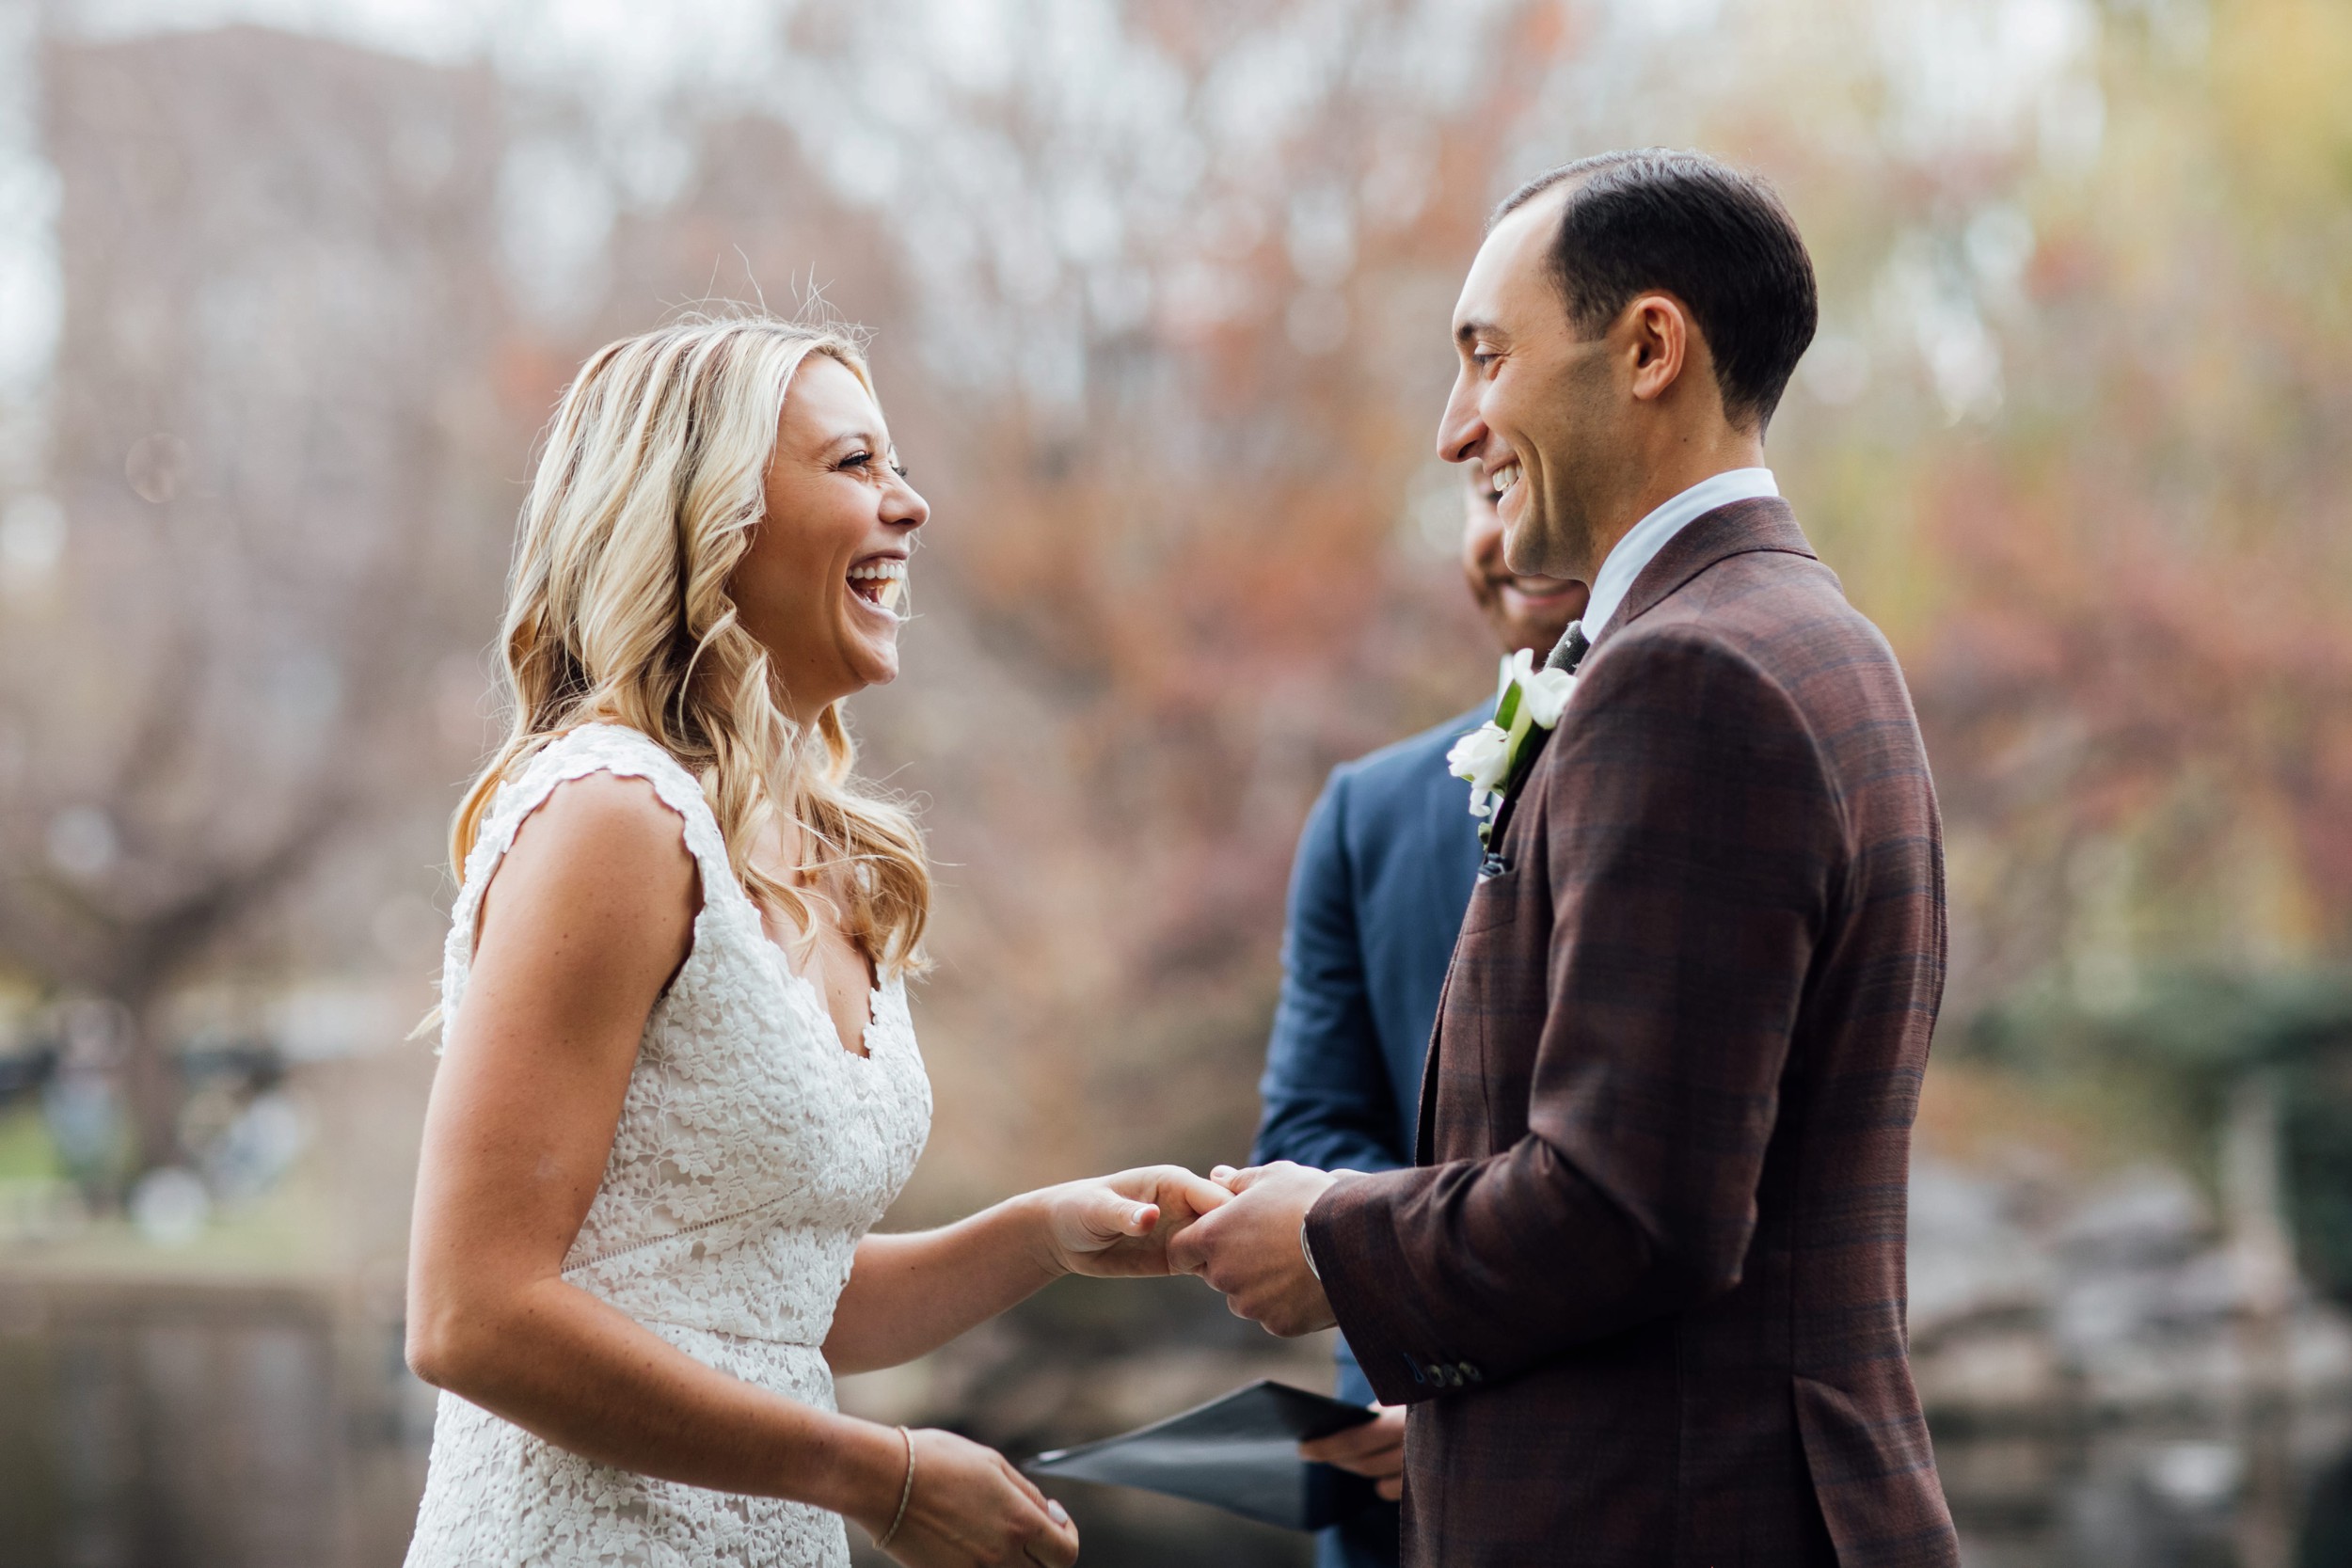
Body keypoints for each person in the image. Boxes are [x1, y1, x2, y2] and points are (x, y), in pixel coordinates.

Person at [1174, 150, 1960, 1567]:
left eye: (1486, 356)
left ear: (1650, 346)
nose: (1453, 427)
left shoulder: (1695, 676)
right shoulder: (1806, 633)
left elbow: (1627, 1206)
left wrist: (1334, 1237)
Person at [400, 316, 1229, 1568]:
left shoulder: (830, 854)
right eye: (854, 464)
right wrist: (879, 1472)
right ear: (711, 514)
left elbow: (766, 1298)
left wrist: (1040, 1232)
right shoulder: (611, 818)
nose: (913, 504)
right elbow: (470, 1315)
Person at [1251, 463, 1586, 1568]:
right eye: (1485, 497)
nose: (1507, 533)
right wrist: (1409, 1369)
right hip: (1407, 1488)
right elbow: (1308, 1127)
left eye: (1531, 489)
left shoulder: (1717, 758)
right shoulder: (1369, 812)